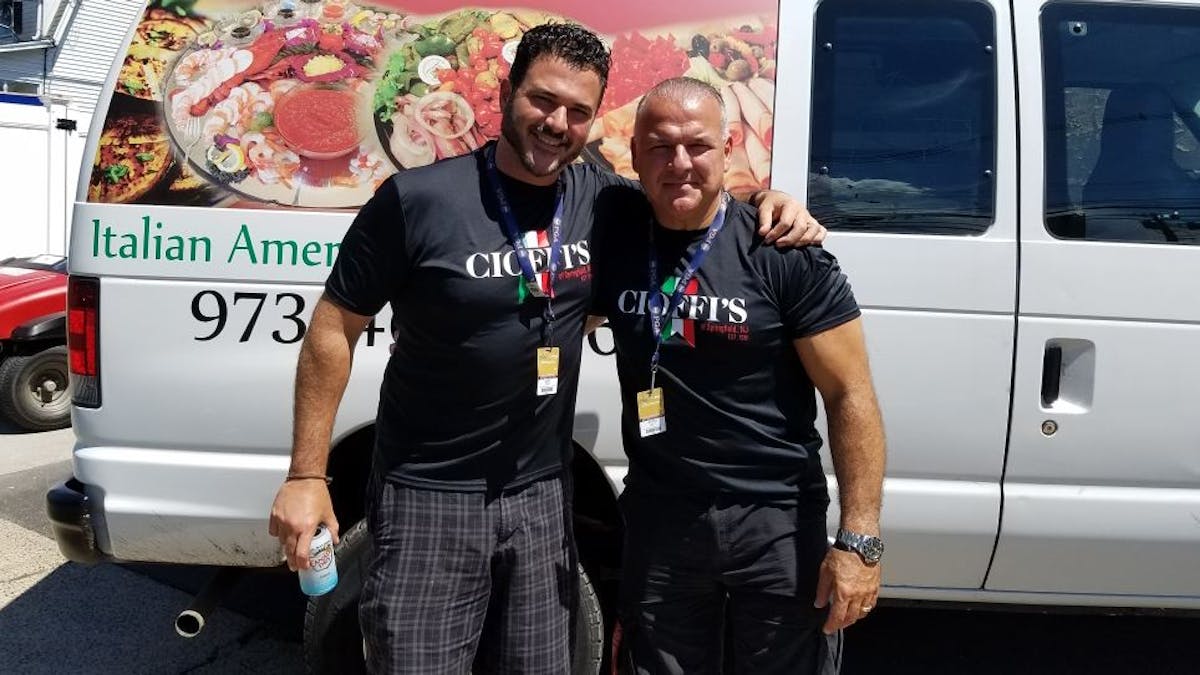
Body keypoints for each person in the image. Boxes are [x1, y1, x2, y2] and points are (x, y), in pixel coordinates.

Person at [267, 24, 824, 674]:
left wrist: (766, 201)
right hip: (428, 497)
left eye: (579, 111)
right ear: (508, 93)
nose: (558, 123)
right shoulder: (419, 201)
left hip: (540, 500)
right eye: (543, 100)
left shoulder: (602, 203)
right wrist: (306, 475)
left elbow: (692, 197)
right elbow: (334, 327)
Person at [590, 77, 886, 674]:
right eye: (660, 147)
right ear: (634, 153)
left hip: (775, 520)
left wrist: (859, 542)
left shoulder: (783, 250)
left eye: (698, 147)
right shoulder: (614, 228)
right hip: (661, 516)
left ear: (728, 149)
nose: (679, 164)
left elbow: (848, 393)